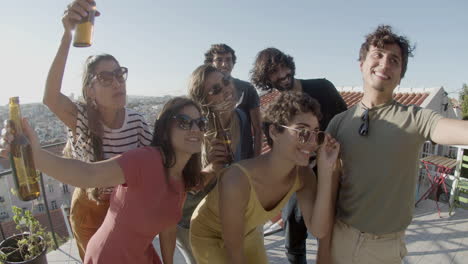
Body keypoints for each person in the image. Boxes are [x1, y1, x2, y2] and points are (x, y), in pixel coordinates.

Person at [1, 97, 209, 264]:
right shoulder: (145, 159)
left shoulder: (181, 179)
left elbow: (168, 227)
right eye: (184, 122)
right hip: (110, 257)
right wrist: (34, 156)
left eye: (200, 123)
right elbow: (89, 174)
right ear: (165, 130)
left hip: (141, 256)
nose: (195, 129)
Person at [323, 25, 468, 264]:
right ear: (361, 64)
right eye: (377, 55)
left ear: (400, 75)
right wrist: (323, 252)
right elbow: (327, 193)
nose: (384, 64)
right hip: (340, 238)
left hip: (385, 249)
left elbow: (452, 129)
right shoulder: (338, 124)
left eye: (394, 60)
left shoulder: (415, 118)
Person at [42, 0, 152, 259]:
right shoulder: (80, 118)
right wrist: (67, 34)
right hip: (89, 210)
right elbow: (50, 97)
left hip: (127, 211)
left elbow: (155, 165)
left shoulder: (136, 121)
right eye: (105, 78)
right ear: (90, 90)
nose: (117, 82)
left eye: (119, 74)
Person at [190, 91, 340, 264]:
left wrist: (326, 171)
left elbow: (319, 230)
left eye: (316, 133)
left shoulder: (304, 175)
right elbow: (235, 254)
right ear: (275, 131)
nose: (313, 142)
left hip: (248, 230)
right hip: (209, 235)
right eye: (302, 131)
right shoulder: (237, 179)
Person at [250, 47, 347, 263]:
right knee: (293, 233)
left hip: (331, 169)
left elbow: (346, 123)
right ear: (267, 79)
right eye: (273, 72)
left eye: (283, 66)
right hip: (298, 174)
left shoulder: (323, 88)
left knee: (328, 232)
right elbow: (277, 151)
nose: (282, 74)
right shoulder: (276, 111)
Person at [173, 64, 253, 264]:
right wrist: (210, 168)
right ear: (203, 101)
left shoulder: (240, 118)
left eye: (225, 81)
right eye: (215, 90)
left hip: (224, 215)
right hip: (191, 219)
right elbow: (179, 187)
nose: (226, 89)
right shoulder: (194, 131)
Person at [204, 44, 262, 158]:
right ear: (211, 63)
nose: (224, 64)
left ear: (233, 62)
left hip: (243, 158)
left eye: (228, 60)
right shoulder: (204, 89)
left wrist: (256, 161)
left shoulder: (247, 88)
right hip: (213, 157)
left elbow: (258, 129)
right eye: (219, 60)